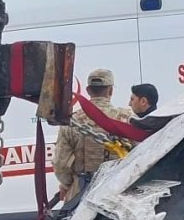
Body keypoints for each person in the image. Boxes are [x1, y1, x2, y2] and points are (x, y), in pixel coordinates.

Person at [55, 69, 134, 201]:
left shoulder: (72, 121)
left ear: (88, 90)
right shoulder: (126, 118)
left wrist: (67, 185)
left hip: (81, 193)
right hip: (119, 192)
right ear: (110, 91)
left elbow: (60, 164)